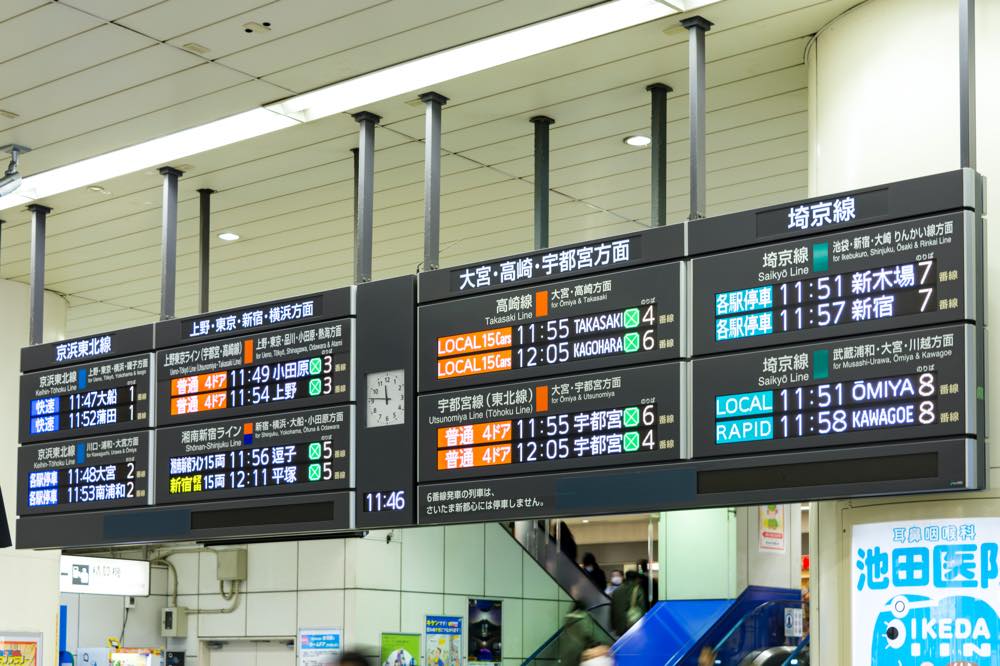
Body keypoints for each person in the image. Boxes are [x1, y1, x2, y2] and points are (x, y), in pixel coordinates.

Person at [559, 601, 605, 666]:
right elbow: (594, 636)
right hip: (579, 657)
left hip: (566, 658)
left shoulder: (567, 621)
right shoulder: (584, 619)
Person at [610, 570, 648, 637]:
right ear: (636, 579)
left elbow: (612, 610)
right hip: (632, 626)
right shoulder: (638, 590)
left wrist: (613, 626)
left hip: (619, 627)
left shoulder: (616, 591)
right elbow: (642, 608)